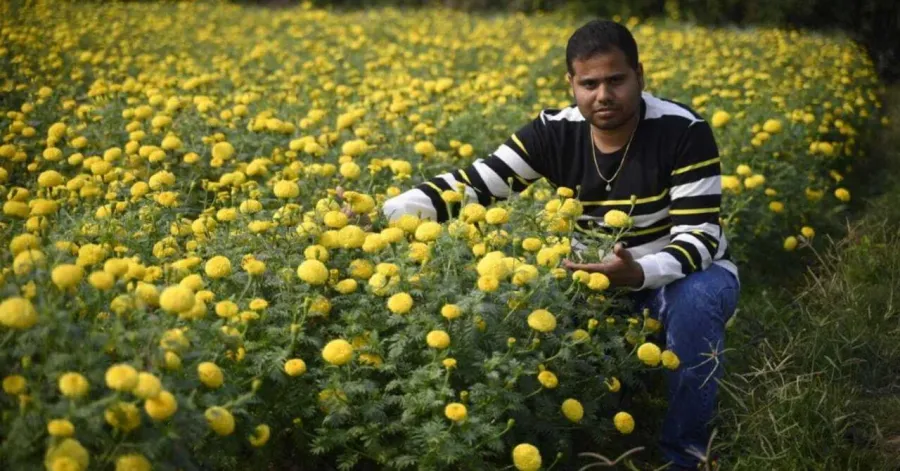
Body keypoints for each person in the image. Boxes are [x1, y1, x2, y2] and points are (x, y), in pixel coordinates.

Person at [364, 19, 740, 470]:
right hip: (598, 281)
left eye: (616, 80)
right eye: (589, 83)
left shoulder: (683, 130)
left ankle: (686, 454)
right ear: (572, 84)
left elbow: (700, 236)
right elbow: (470, 187)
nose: (603, 95)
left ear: (640, 75)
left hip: (684, 276)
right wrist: (378, 214)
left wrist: (639, 272)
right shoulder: (552, 133)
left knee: (694, 301)